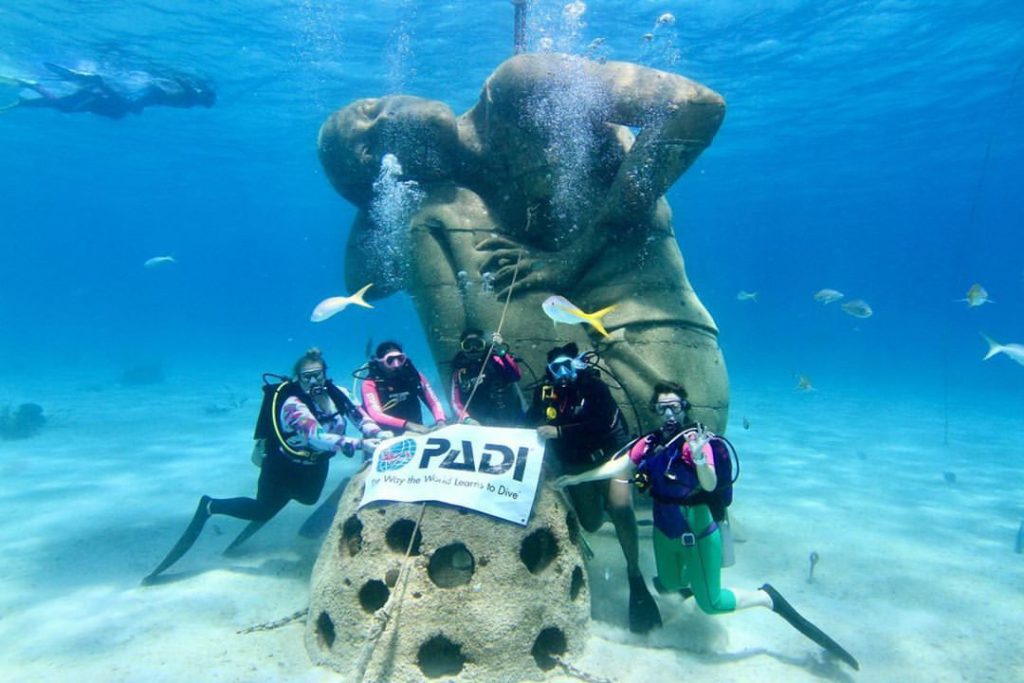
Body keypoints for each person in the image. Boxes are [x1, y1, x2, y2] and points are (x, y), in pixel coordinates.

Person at [554, 381, 860, 670]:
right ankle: (694, 580)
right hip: (665, 528)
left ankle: (767, 597)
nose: (669, 414)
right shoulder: (650, 442)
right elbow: (620, 465)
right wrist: (580, 478)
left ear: (685, 407)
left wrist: (700, 458)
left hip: (695, 531)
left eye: (675, 406)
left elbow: (710, 483)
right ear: (655, 410)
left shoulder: (697, 442)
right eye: (662, 408)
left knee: (711, 603)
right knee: (669, 583)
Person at [143, 348, 383, 583]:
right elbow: (315, 436)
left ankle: (282, 497)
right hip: (281, 466)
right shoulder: (292, 405)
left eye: (317, 375)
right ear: (297, 379)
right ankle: (210, 506)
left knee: (309, 498)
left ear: (325, 374)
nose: (313, 381)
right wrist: (361, 444)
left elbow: (360, 416)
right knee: (261, 510)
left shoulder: (339, 394)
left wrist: (376, 433)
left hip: (316, 464)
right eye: (306, 377)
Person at [527, 342, 661, 634]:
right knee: (590, 523)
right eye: (555, 368)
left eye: (566, 365)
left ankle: (634, 573)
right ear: (549, 372)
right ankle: (602, 515)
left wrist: (560, 431)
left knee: (621, 508)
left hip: (610, 457)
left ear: (576, 364)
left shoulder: (594, 388)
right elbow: (528, 421)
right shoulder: (545, 393)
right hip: (576, 465)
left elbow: (601, 422)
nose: (562, 372)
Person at [2, 62, 215, 118]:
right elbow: (176, 87)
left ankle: (25, 100)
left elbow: (167, 94)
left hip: (149, 96)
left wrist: (140, 106)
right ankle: (97, 82)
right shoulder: (193, 97)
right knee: (121, 106)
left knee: (67, 106)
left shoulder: (191, 99)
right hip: (150, 94)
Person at [360, 341, 448, 434]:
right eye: (390, 361)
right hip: (384, 436)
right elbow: (376, 414)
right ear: (380, 363)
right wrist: (408, 425)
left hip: (417, 432)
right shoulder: (370, 383)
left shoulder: (415, 377)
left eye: (400, 359)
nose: (397, 365)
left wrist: (440, 421)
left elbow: (433, 402)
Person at [449, 328, 525, 427]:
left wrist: (502, 352)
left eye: (478, 345)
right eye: (468, 346)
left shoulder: (495, 360)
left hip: (508, 419)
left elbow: (515, 376)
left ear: (485, 345)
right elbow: (456, 401)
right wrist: (467, 419)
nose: (473, 349)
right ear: (462, 348)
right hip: (479, 424)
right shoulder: (459, 374)